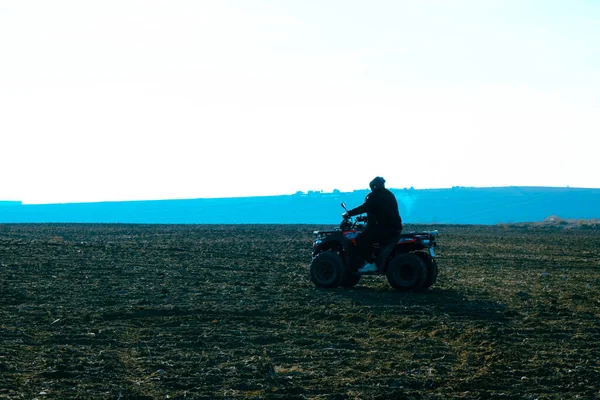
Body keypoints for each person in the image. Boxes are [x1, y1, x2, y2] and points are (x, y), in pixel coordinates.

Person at [343, 176, 403, 272]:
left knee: (360, 240)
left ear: (374, 186)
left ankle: (371, 263)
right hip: (395, 228)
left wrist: (349, 213)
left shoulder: (374, 196)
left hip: (382, 229)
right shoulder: (389, 195)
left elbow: (365, 207)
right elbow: (382, 212)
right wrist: (366, 218)